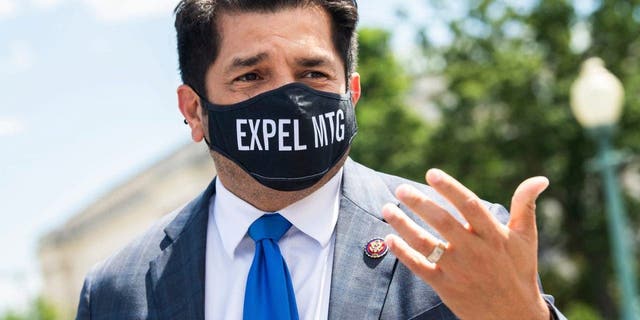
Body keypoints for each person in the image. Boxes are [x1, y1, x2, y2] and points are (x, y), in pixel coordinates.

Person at [75, 0, 567, 319]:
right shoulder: (117, 293)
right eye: (251, 77)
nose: (289, 98)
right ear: (194, 110)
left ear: (351, 94)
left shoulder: (463, 246)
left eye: (312, 72)